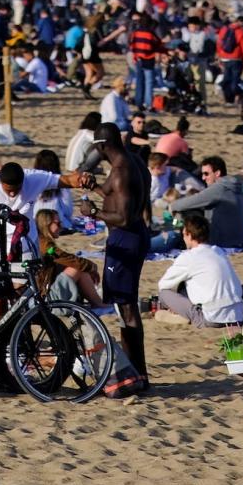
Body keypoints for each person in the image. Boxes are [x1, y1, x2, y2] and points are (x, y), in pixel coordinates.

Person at [79, 122, 152, 392]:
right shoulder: (132, 162)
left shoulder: (121, 171)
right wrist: (97, 187)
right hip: (136, 236)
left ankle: (137, 372)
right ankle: (139, 373)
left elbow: (123, 216)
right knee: (127, 306)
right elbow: (119, 196)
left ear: (101, 146)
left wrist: (93, 213)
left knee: (126, 308)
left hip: (125, 238)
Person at [155, 214, 243, 327]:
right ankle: (183, 312)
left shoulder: (189, 257)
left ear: (189, 235)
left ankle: (183, 316)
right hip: (237, 316)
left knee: (164, 294)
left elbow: (163, 284)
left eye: (183, 234)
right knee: (189, 283)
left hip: (211, 319)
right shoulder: (218, 251)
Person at [170, 156, 243, 248]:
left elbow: (185, 203)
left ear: (217, 173)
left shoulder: (219, 188)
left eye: (206, 174)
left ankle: (175, 235)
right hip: (241, 240)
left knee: (184, 212)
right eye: (202, 174)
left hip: (224, 242)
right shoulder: (232, 186)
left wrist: (171, 207)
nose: (203, 178)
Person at [34, 209, 106, 309]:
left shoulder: (41, 241)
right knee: (78, 268)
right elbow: (65, 258)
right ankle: (98, 303)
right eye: (58, 223)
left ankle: (96, 302)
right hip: (46, 297)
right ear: (47, 224)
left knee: (78, 266)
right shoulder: (46, 246)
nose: (61, 227)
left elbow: (66, 259)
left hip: (44, 292)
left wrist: (88, 267)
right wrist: (91, 267)